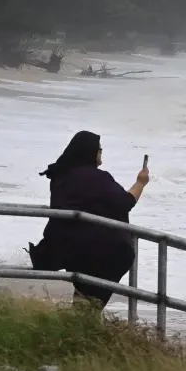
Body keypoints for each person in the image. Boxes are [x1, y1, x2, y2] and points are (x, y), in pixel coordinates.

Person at [28, 131, 150, 310]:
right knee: (90, 304)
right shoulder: (97, 178)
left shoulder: (61, 175)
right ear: (91, 151)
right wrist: (140, 183)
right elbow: (124, 202)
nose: (101, 153)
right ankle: (79, 330)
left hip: (68, 247)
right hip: (101, 252)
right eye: (99, 149)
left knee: (85, 299)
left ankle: (76, 329)